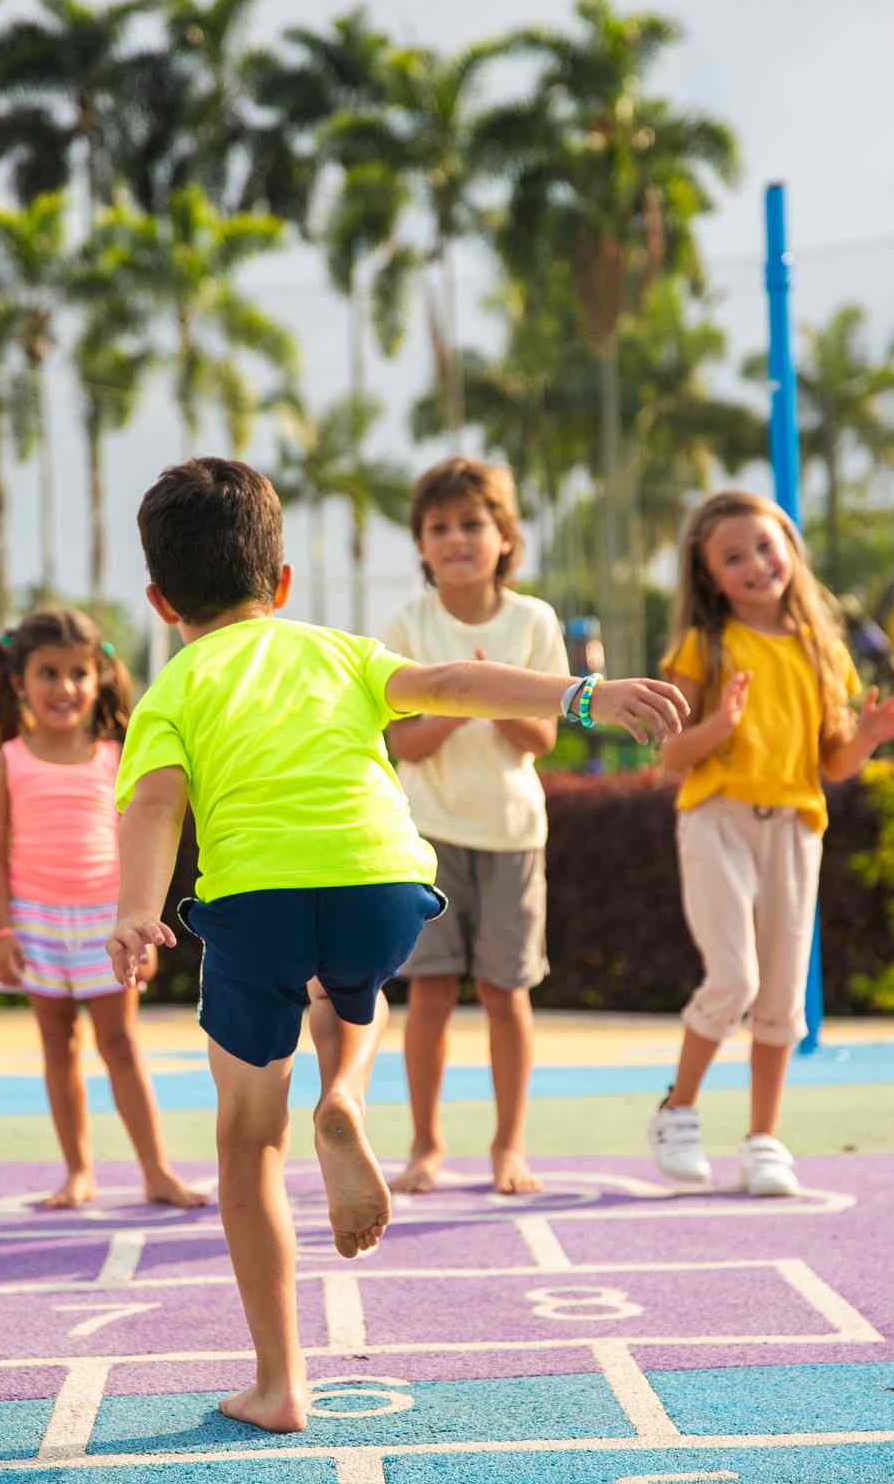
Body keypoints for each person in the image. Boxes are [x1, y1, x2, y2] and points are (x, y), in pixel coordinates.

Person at [107, 457, 687, 1432]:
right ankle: (345, 1094)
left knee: (248, 1141)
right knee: (359, 987)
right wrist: (585, 697)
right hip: (382, 880)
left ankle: (281, 1383)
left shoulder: (171, 692)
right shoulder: (337, 650)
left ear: (163, 600)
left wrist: (135, 908)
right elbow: (456, 682)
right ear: (282, 585)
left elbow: (158, 804)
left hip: (257, 898)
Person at [653, 490, 894, 1196]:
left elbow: (833, 763)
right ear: (709, 577)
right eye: (733, 557)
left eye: (766, 548)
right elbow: (672, 755)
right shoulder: (701, 646)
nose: (755, 564)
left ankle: (764, 1139)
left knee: (780, 993)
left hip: (796, 828)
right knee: (732, 978)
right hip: (717, 820)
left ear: (791, 552)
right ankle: (678, 1110)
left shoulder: (823, 650)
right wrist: (721, 727)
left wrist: (867, 736)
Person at [0, 606, 205, 1213]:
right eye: (48, 673)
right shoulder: (6, 761)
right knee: (58, 1046)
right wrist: (1, 932)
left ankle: (157, 1171)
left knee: (121, 1044)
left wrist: (142, 926)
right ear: (20, 680)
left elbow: (144, 840)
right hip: (37, 925)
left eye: (78, 673)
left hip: (109, 922)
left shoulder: (117, 754)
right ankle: (78, 1173)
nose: (64, 688)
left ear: (99, 677)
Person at [382, 456, 568, 1196]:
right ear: (421, 545)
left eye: (472, 524)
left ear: (504, 536)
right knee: (428, 993)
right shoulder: (407, 625)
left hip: (513, 834)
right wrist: (455, 694)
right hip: (425, 835)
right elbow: (402, 742)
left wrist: (496, 695)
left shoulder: (534, 621)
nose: (456, 538)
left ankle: (507, 1148)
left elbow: (543, 739)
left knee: (505, 992)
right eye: (439, 527)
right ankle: (426, 1145)